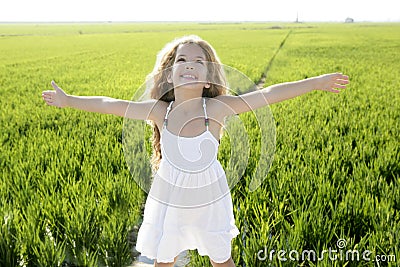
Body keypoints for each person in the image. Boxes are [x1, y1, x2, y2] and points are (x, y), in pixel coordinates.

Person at [42, 35, 349, 267]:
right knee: (164, 259)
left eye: (199, 61)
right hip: (170, 199)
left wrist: (317, 82)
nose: (189, 64)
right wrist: (70, 100)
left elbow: (267, 94)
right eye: (181, 60)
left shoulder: (214, 109)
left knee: (221, 260)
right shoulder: (158, 111)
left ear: (207, 79)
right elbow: (111, 105)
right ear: (169, 74)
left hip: (208, 199)